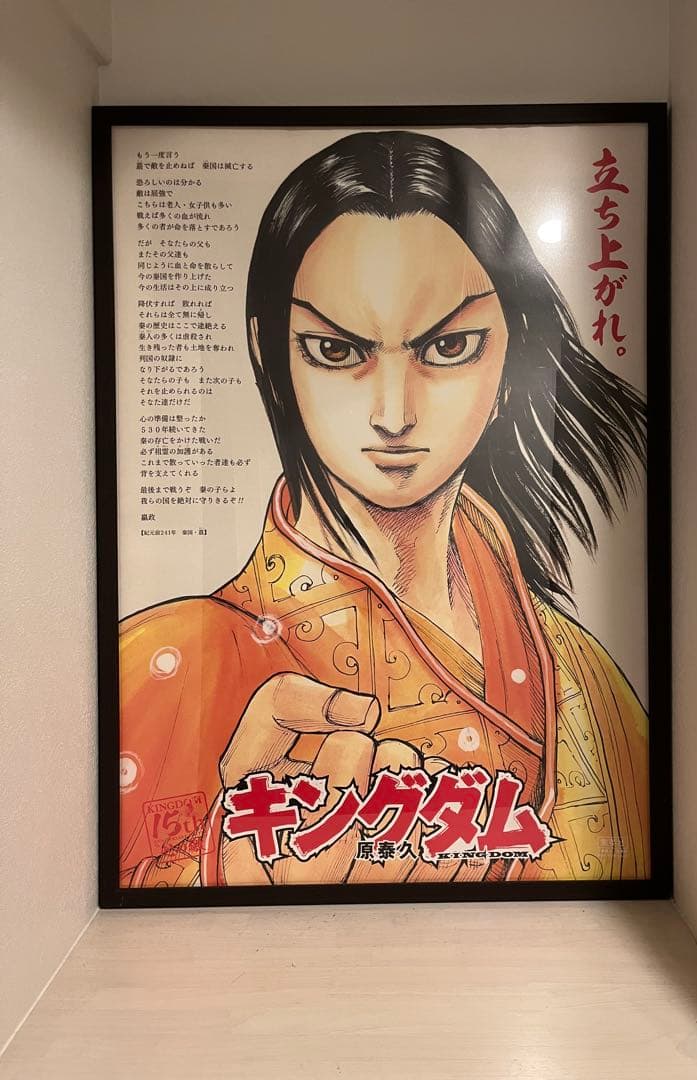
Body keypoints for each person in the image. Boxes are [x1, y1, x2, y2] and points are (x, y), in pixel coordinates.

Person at [118, 130, 649, 888]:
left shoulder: (583, 677)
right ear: (270, 352)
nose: (393, 415)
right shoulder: (170, 664)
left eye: (449, 347)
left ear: (514, 354)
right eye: (337, 352)